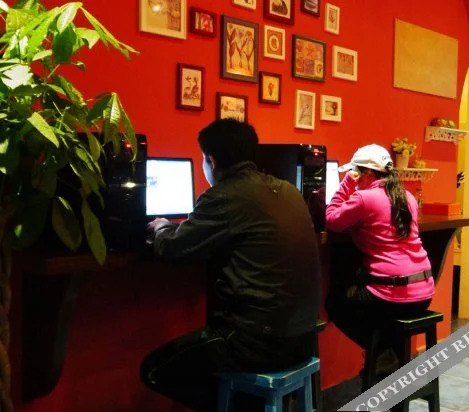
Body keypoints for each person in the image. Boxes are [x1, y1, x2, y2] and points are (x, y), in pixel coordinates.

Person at [141, 119, 321, 412]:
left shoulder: (225, 195)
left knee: (154, 370)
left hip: (259, 344)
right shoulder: (288, 190)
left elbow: (174, 249)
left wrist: (161, 227)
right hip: (304, 338)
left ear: (211, 160)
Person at [325, 144, 434, 375]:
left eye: (355, 172)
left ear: (366, 173)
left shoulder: (364, 198)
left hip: (391, 297)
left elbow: (332, 219)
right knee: (377, 309)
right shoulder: (408, 197)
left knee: (336, 304)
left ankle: (382, 353)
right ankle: (390, 357)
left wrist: (347, 183)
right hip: (424, 292)